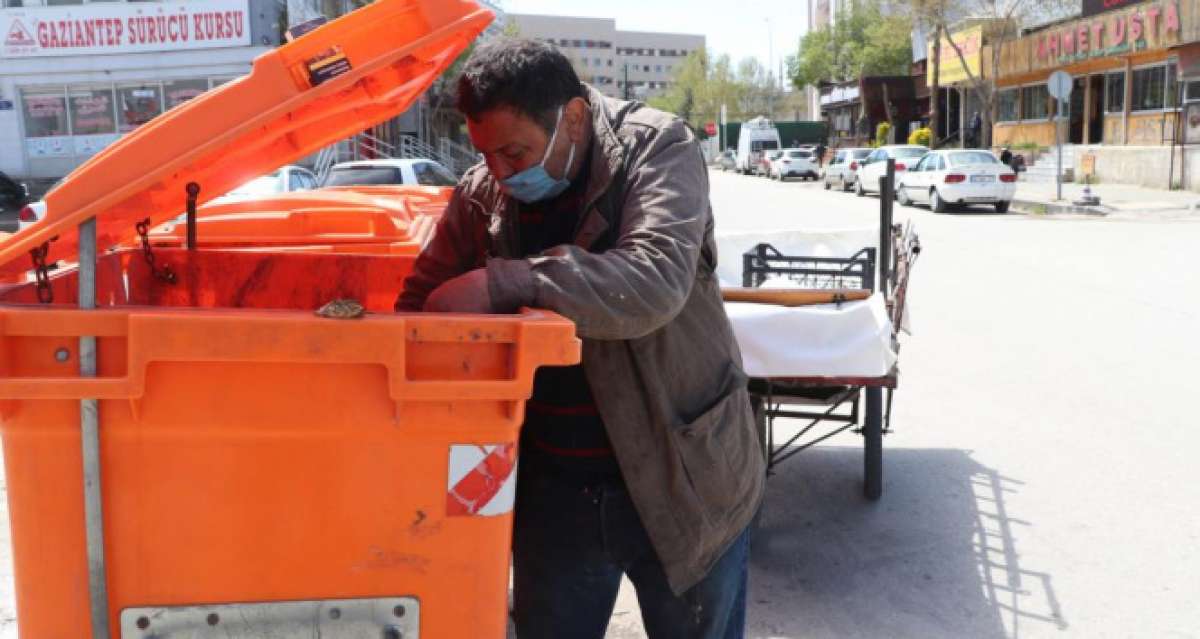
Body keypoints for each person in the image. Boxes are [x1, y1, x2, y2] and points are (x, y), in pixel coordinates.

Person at [395, 39, 764, 639]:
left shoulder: (658, 147)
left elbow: (651, 283)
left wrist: (504, 281)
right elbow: (416, 306)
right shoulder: (481, 191)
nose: (501, 173)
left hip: (683, 476)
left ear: (571, 116)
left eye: (514, 152)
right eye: (486, 154)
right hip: (555, 493)